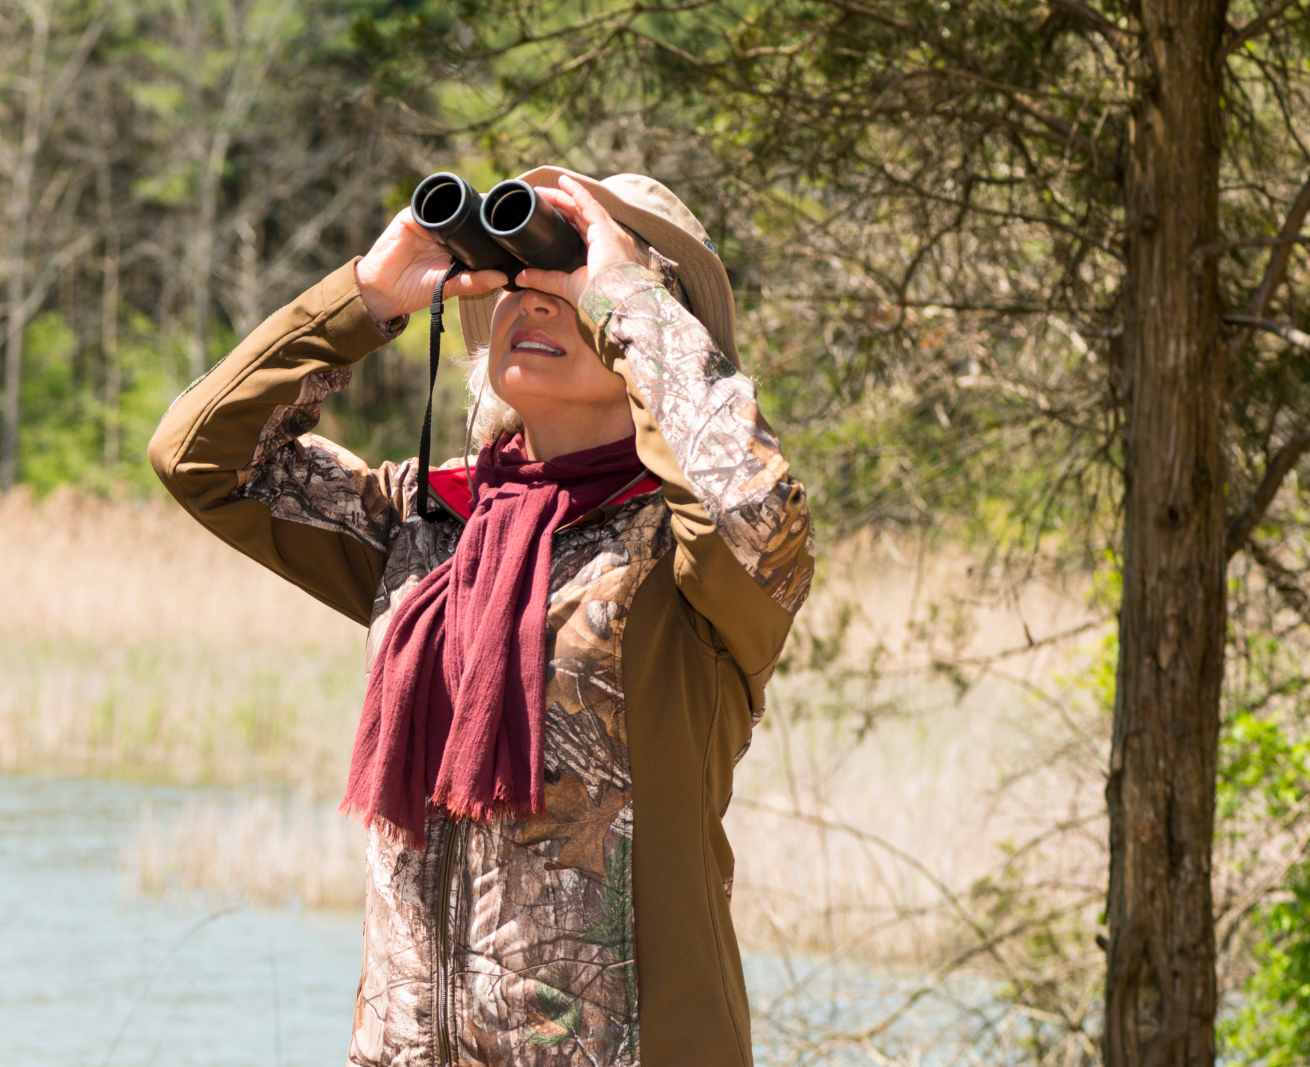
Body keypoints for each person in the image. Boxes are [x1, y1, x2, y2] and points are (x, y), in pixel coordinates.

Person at [149, 166, 815, 1066]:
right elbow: (200, 459)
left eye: (570, 272)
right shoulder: (428, 529)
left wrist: (623, 295)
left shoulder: (689, 561)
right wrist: (367, 297)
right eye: (514, 278)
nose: (534, 297)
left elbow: (753, 510)